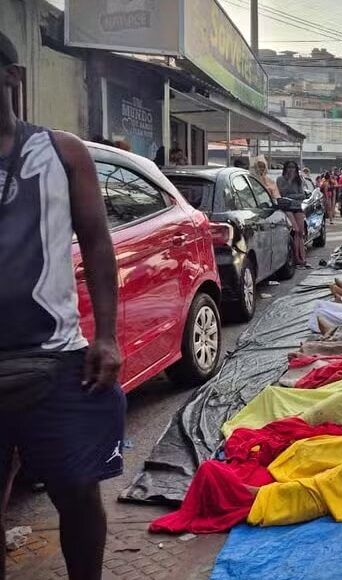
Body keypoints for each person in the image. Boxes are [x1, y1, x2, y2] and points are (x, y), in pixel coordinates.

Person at [0, 33, 124, 580]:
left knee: (76, 493)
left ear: (11, 78)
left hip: (55, 362)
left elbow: (97, 242)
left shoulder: (60, 152)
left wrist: (107, 335)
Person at [277, 161, 309, 268]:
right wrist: (289, 181)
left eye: (293, 167)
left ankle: (302, 258)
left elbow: (302, 195)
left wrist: (291, 196)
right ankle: (296, 257)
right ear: (285, 168)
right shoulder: (280, 180)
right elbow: (282, 193)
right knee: (295, 230)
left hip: (297, 207)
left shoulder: (299, 180)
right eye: (289, 167)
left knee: (300, 232)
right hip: (287, 207)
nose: (291, 169)